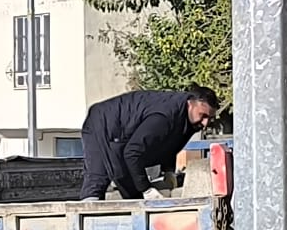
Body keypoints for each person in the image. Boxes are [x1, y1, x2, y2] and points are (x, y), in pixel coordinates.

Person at [78, 85, 219, 201]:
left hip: (124, 134)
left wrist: (169, 171)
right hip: (103, 123)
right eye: (203, 115)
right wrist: (147, 189)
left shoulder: (190, 121)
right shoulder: (164, 117)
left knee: (132, 190)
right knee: (100, 178)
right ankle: (86, 226)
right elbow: (132, 153)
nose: (206, 123)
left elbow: (170, 145)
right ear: (190, 104)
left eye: (210, 118)